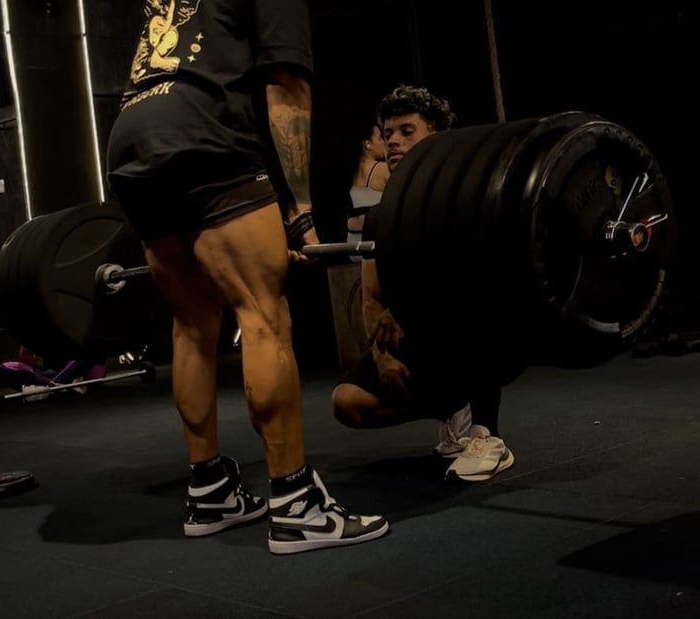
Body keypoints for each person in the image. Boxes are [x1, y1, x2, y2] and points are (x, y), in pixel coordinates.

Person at [106, 0, 388, 555]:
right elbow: (286, 88)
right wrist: (301, 209)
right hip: (202, 131)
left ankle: (210, 490)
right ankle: (297, 506)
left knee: (191, 323)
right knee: (261, 315)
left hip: (131, 138)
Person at [331, 84, 514, 482]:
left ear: (437, 137)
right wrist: (382, 356)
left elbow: (475, 282)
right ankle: (452, 408)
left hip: (474, 329)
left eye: (406, 131)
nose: (393, 141)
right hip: (424, 340)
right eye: (388, 133)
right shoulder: (379, 217)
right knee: (346, 401)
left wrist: (407, 309)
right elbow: (371, 296)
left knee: (477, 308)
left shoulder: (466, 199)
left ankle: (487, 435)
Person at [346, 120, 390, 254]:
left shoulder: (350, 173)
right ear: (368, 144)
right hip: (375, 246)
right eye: (380, 138)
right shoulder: (383, 169)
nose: (385, 142)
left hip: (352, 246)